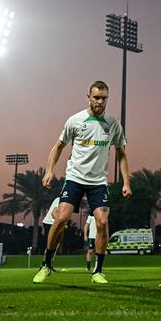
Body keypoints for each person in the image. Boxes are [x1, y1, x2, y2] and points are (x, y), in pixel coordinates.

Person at [33, 81, 132, 284]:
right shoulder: (75, 120)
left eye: (104, 98)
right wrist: (50, 170)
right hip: (75, 178)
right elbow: (58, 147)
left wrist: (126, 182)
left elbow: (121, 154)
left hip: (98, 182)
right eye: (96, 97)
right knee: (60, 219)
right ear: (88, 96)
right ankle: (47, 264)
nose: (100, 101)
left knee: (103, 222)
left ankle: (98, 271)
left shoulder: (113, 124)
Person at [41, 196, 61, 270]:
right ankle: (43, 265)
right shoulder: (60, 199)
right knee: (50, 244)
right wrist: (61, 222)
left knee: (56, 245)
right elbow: (53, 213)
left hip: (56, 223)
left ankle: (49, 264)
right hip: (49, 223)